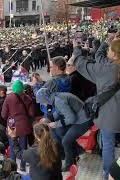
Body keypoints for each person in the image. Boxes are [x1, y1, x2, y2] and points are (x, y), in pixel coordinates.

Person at [71, 36, 120, 180]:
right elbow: (100, 57)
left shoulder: (107, 70)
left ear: (115, 54)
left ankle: (108, 175)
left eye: (110, 49)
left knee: (108, 146)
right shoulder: (109, 65)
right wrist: (105, 43)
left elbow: (81, 64)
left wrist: (76, 49)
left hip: (110, 117)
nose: (107, 51)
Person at [36, 88, 93, 171]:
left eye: (42, 101)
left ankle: (69, 165)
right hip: (80, 118)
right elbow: (59, 112)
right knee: (59, 131)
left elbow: (71, 118)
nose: (43, 103)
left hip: (83, 121)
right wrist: (48, 119)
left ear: (45, 98)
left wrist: (56, 124)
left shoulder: (58, 101)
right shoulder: (56, 97)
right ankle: (76, 152)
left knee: (66, 141)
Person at [1, 80, 35, 172]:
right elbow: (32, 114)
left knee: (12, 147)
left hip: (12, 126)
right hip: (24, 125)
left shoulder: (9, 98)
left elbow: (3, 115)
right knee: (23, 146)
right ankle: (23, 166)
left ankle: (13, 169)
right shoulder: (28, 98)